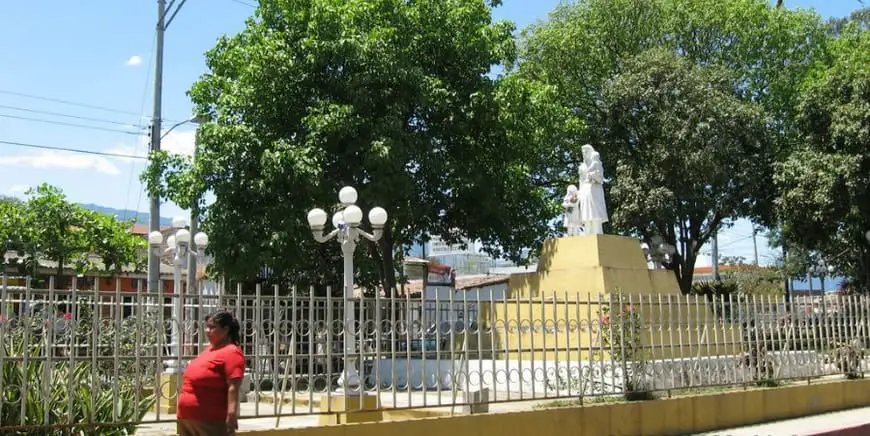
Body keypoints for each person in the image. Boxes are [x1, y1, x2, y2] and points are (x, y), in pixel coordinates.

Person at [177, 311, 246, 436]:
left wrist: (231, 414)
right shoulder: (209, 350)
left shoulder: (231, 352)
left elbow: (233, 387)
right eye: (206, 327)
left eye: (212, 327)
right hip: (188, 419)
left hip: (210, 420)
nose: (208, 330)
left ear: (226, 330)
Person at [578, 146, 609, 235]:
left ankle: (598, 232)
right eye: (583, 152)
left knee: (595, 212)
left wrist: (593, 176)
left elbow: (600, 179)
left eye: (586, 152)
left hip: (595, 189)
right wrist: (579, 193)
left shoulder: (597, 164)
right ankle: (587, 232)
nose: (584, 154)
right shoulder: (582, 167)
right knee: (586, 213)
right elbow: (581, 180)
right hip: (585, 190)